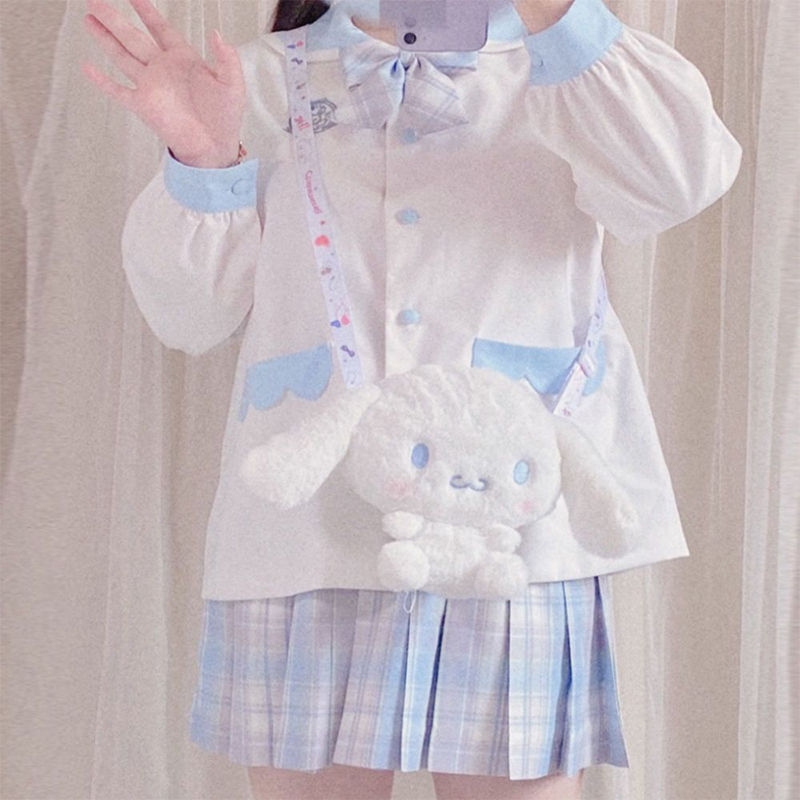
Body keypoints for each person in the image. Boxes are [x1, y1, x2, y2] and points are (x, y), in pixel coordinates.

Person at [81, 0, 742, 798]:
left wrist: (554, 16)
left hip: (511, 534)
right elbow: (187, 316)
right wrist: (205, 156)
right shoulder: (252, 81)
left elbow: (681, 179)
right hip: (308, 536)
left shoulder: (566, 67)